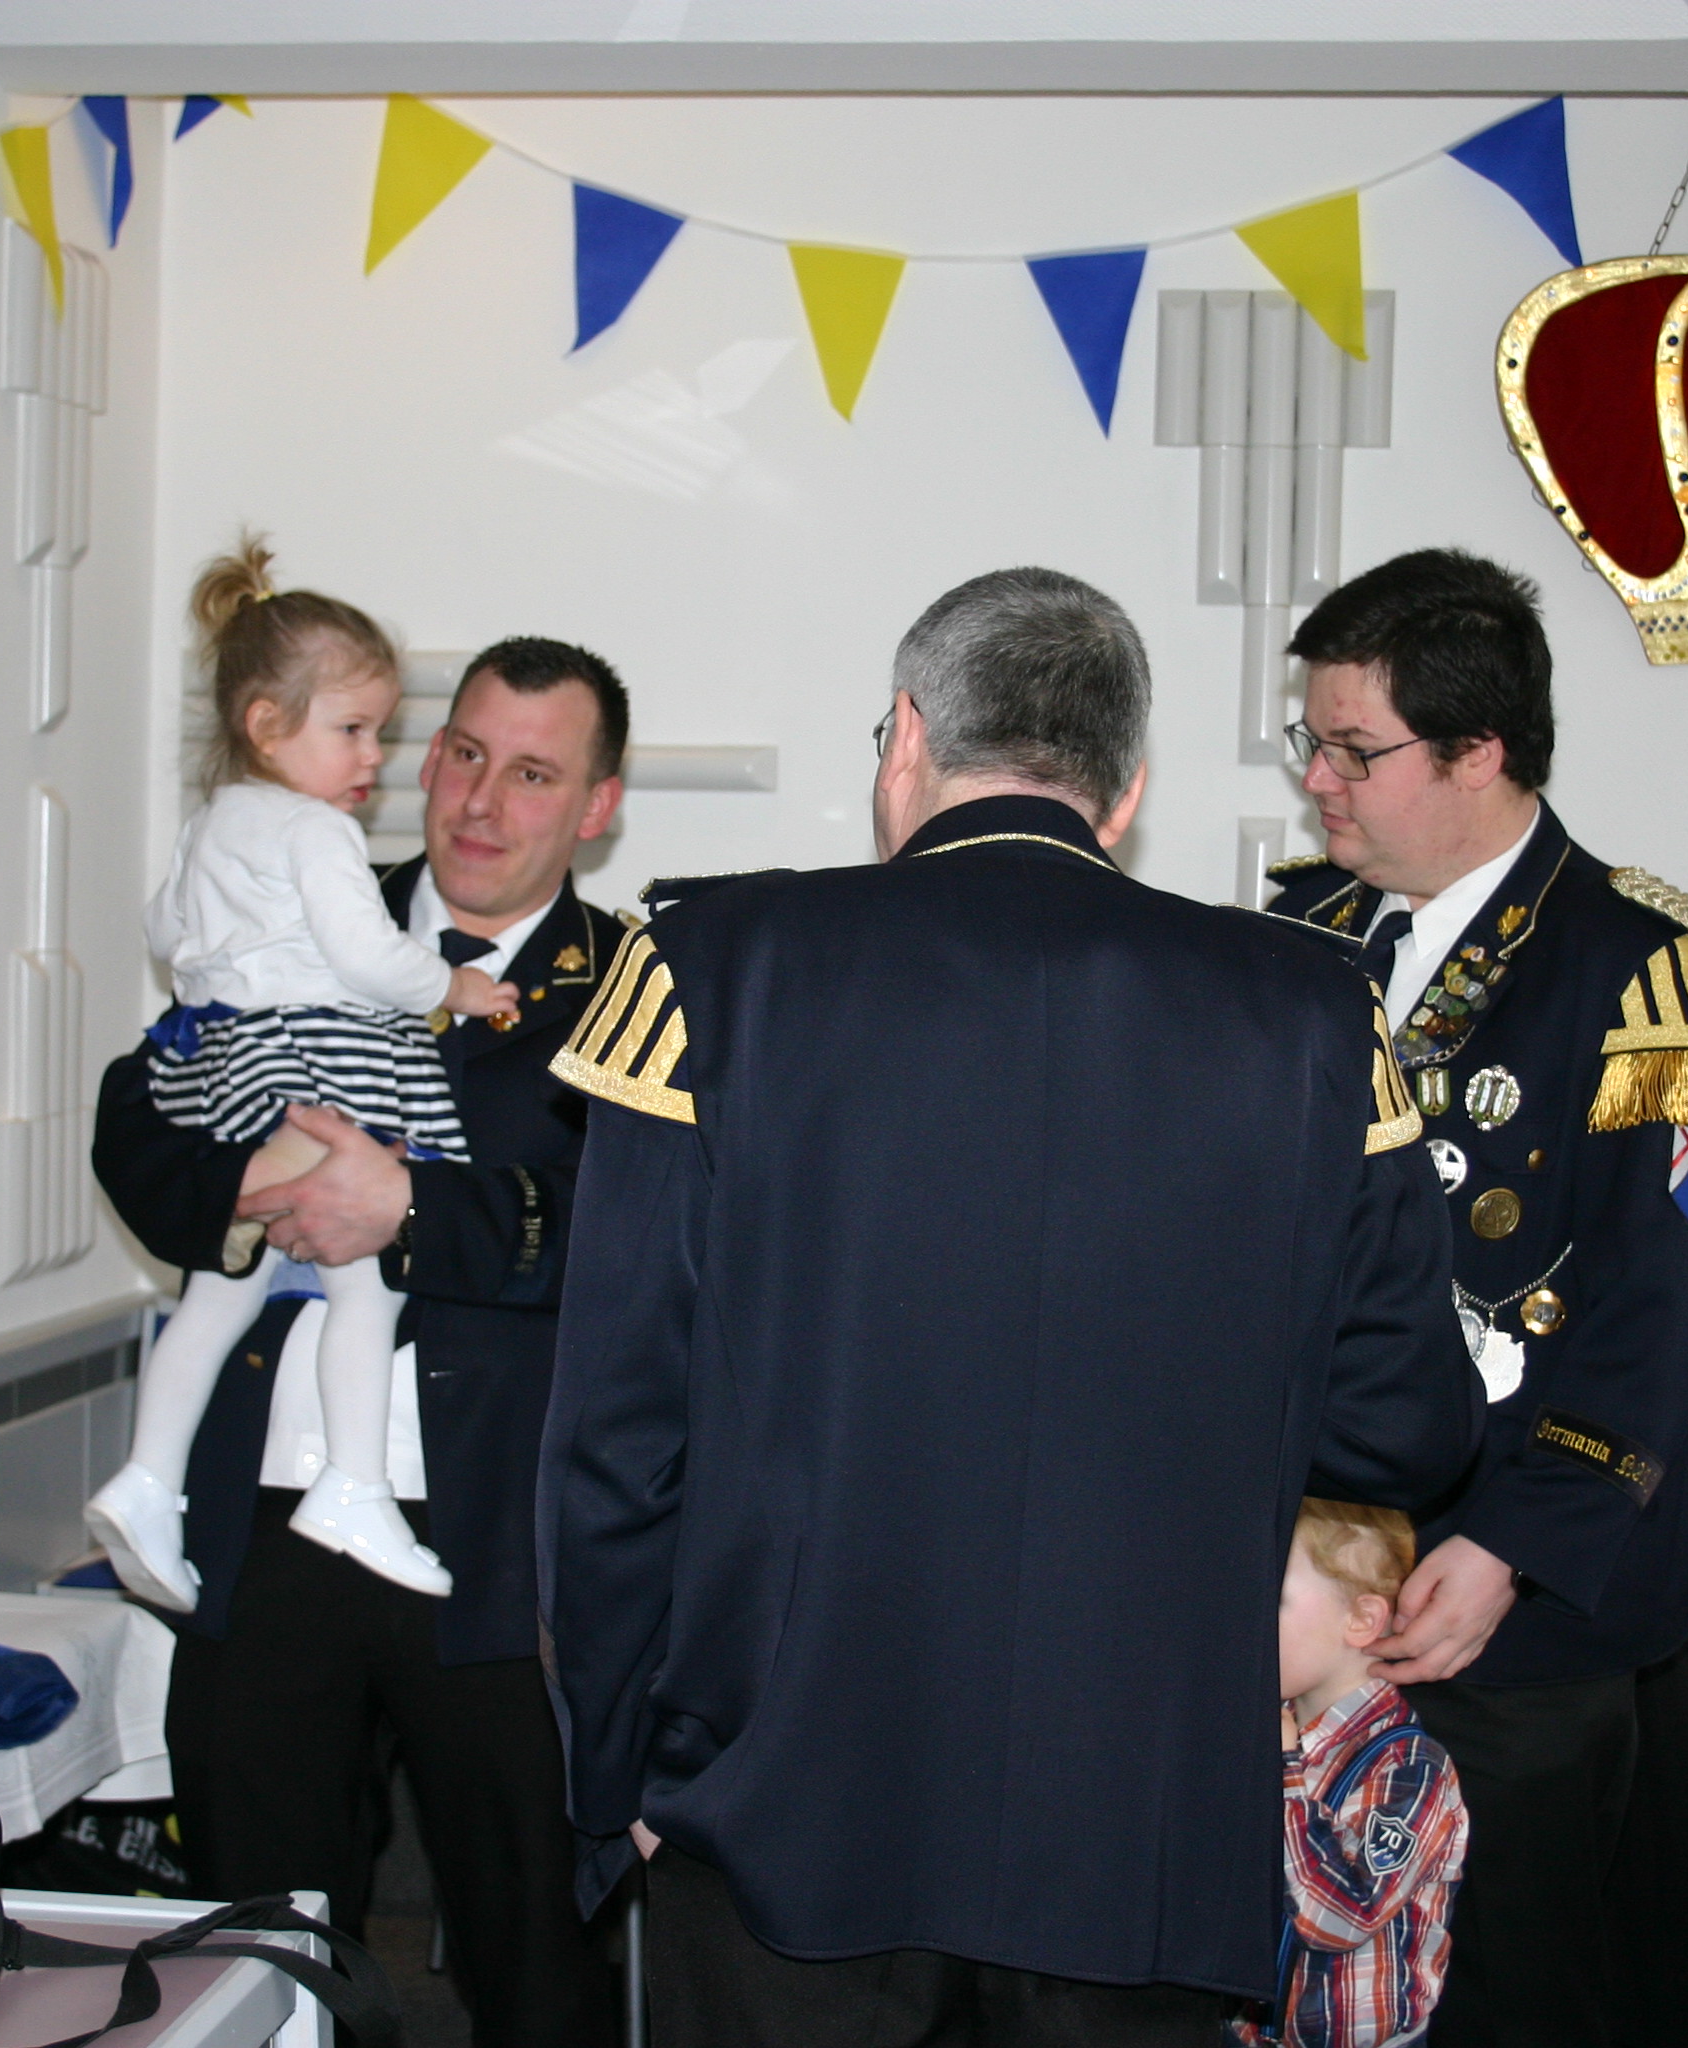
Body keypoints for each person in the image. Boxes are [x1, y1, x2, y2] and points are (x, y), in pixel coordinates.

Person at [539, 567, 1484, 2045]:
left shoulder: (705, 970)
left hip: (780, 1809)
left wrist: (618, 1787)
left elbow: (613, 1444)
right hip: (1142, 1827)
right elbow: (1405, 1423)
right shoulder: (1314, 1012)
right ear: (1126, 790)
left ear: (907, 738)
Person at [91, 636, 634, 2047]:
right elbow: (140, 1115)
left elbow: (642, 1231)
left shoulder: (634, 984)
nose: (481, 801)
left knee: (534, 1960)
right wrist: (248, 1190)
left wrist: (408, 1211)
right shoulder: (299, 890)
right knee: (254, 1951)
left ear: (597, 806)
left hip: (498, 1544)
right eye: (465, 754)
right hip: (268, 1522)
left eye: (534, 775)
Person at [1265, 547, 1688, 2046]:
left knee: (1509, 1995)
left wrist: (1513, 1548)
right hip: (1307, 1598)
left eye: (1355, 749)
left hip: (1508, 1608)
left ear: (1478, 751)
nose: (1318, 782)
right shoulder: (1301, 942)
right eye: (1312, 742)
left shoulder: (1648, 970)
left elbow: (1662, 1315)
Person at [89, 540, 517, 1609]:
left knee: (222, 1285)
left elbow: (166, 931)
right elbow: (367, 958)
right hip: (322, 1056)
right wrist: (454, 987)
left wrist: (223, 973)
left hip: (232, 1064)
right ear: (267, 724)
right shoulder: (316, 830)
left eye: (380, 730)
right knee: (369, 1268)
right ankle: (356, 1484)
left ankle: (146, 1478)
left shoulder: (210, 826)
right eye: (353, 729)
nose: (375, 756)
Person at [1243, 1499, 1467, 2048]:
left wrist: (1284, 1775)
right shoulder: (1263, 1725)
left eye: (1273, 1598)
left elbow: (1341, 1917)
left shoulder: (1409, 1768)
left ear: (1363, 1620)